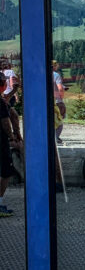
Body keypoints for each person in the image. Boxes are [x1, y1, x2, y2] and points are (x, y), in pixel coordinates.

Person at [0, 72, 20, 216]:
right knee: (6, 171)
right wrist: (12, 137)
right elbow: (6, 122)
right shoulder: (0, 103)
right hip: (1, 141)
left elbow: (12, 111)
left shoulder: (2, 100)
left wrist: (14, 91)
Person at [52, 60, 67, 144]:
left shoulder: (43, 74)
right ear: (54, 66)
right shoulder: (56, 75)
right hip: (56, 100)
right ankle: (56, 137)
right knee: (59, 120)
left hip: (45, 101)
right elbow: (60, 88)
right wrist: (61, 98)